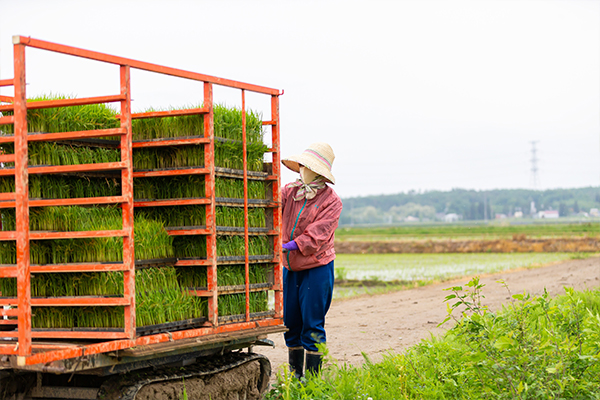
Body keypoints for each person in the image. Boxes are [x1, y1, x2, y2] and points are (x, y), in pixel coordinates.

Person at [280, 142, 343, 378]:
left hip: (317, 267)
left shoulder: (331, 200)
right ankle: (296, 376)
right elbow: (272, 208)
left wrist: (292, 244)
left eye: (307, 166)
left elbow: (319, 233)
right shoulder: (289, 191)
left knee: (312, 321)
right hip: (291, 266)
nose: (303, 169)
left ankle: (313, 381)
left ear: (318, 171)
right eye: (302, 165)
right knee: (291, 320)